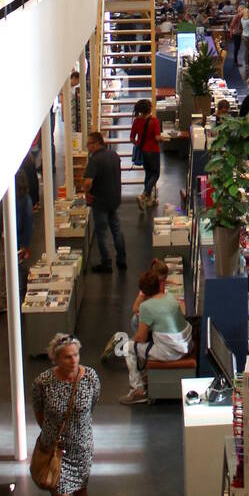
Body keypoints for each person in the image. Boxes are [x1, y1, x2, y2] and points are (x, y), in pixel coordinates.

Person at [31, 334, 101, 496]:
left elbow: (92, 405)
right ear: (56, 359)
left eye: (76, 355)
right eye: (67, 356)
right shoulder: (43, 383)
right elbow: (39, 413)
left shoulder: (90, 377)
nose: (73, 360)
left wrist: (78, 431)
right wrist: (53, 436)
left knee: (81, 491)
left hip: (82, 447)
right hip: (57, 451)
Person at [121, 268, 193, 405]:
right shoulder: (169, 297)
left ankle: (138, 390)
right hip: (185, 344)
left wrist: (132, 340)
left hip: (171, 353)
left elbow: (141, 337)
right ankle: (145, 377)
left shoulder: (147, 307)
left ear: (143, 291)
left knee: (128, 348)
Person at [0, 166, 34, 314]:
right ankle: (12, 297)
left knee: (9, 269)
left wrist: (25, 245)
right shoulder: (5, 195)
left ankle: (10, 299)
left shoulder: (24, 200)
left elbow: (28, 223)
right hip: (5, 238)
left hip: (17, 240)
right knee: (11, 268)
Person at [83, 131, 126, 273]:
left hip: (100, 201)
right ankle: (121, 259)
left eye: (89, 144)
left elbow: (88, 182)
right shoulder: (114, 155)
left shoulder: (95, 160)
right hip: (114, 198)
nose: (87, 147)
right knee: (116, 229)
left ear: (96, 143)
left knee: (101, 232)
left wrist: (86, 192)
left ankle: (106, 263)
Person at [129, 98, 161, 209]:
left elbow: (132, 139)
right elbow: (157, 137)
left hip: (143, 151)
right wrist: (162, 138)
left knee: (148, 174)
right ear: (150, 109)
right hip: (153, 151)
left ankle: (148, 199)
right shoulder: (154, 121)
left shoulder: (136, 121)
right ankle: (144, 195)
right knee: (156, 174)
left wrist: (139, 143)